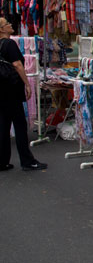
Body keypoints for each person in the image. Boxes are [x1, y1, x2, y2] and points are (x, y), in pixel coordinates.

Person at [0, 17, 47, 172]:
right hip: (11, 89)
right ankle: (27, 161)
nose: (10, 25)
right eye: (7, 24)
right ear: (2, 29)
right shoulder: (9, 44)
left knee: (3, 126)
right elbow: (18, 65)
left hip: (2, 91)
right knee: (19, 125)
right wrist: (27, 83)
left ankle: (2, 161)